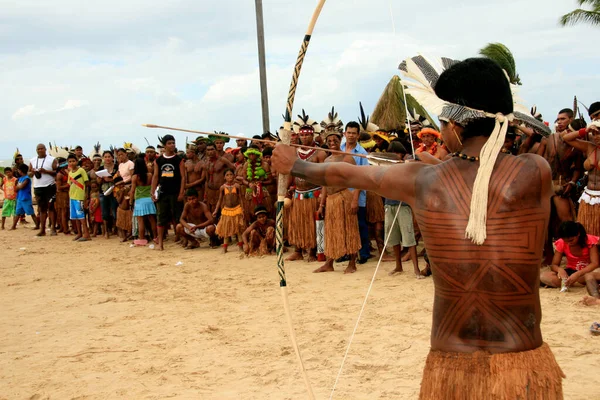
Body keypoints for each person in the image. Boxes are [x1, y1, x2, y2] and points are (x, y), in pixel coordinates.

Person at [272, 57, 564, 398]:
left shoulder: (423, 180)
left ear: (455, 125)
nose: (440, 130)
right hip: (523, 363)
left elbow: (347, 174)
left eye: (441, 121)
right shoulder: (535, 172)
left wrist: (296, 165)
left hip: (452, 365)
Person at [313, 115, 361, 274]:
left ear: (340, 140)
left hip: (344, 197)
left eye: (335, 140)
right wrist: (322, 204)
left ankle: (352, 263)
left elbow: (359, 181)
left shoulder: (347, 158)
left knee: (349, 229)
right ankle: (329, 263)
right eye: (330, 140)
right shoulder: (326, 161)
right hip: (331, 200)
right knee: (332, 230)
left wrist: (355, 200)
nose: (332, 142)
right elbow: (325, 184)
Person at [286, 111, 327, 262]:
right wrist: (285, 191)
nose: (304, 138)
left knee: (312, 223)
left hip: (314, 193)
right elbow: (290, 172)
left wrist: (323, 194)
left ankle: (313, 251)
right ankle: (298, 250)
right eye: (302, 135)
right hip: (298, 193)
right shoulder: (294, 152)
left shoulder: (320, 153)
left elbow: (324, 177)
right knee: (298, 223)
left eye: (307, 135)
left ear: (313, 136)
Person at [384, 141, 422, 278]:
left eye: (397, 153)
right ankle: (398, 266)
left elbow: (419, 162)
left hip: (403, 205)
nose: (394, 156)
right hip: (389, 203)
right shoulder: (386, 165)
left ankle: (416, 269)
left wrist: (408, 163)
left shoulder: (408, 164)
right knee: (393, 237)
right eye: (392, 153)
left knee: (409, 236)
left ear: (402, 154)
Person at [562, 103, 600, 236]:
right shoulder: (590, 147)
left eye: (599, 133)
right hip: (588, 197)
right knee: (588, 235)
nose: (596, 137)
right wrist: (585, 130)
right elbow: (566, 138)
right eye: (594, 134)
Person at [540, 221, 599, 297]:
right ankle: (575, 283)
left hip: (589, 271)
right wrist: (560, 270)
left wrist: (578, 274)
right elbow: (554, 265)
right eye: (565, 241)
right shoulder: (561, 243)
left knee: (591, 276)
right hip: (571, 273)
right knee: (544, 276)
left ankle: (576, 283)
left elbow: (595, 263)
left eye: (571, 240)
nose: (568, 243)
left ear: (578, 234)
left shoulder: (589, 241)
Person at [341, 121, 371, 263]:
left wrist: (355, 199)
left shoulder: (362, 153)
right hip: (341, 194)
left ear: (358, 135)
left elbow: (362, 177)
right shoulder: (339, 149)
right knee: (344, 225)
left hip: (356, 194)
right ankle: (346, 252)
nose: (351, 135)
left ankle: (364, 253)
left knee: (360, 225)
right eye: (349, 132)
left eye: (354, 133)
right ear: (344, 133)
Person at [151, 135, 186, 251]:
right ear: (165, 145)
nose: (172, 145)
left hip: (175, 192)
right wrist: (153, 192)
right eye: (170, 143)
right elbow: (155, 177)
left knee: (178, 217)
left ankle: (182, 239)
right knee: (161, 218)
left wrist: (181, 192)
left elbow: (183, 177)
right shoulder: (158, 160)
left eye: (173, 143)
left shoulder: (179, 160)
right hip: (163, 192)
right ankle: (160, 243)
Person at [29, 143, 58, 236]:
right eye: (38, 149)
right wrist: (33, 172)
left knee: (51, 207)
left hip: (49, 186)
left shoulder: (52, 159)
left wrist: (46, 171)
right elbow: (29, 174)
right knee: (41, 208)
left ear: (45, 149)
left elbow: (56, 172)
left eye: (42, 148)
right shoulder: (32, 160)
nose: (40, 150)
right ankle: (42, 229)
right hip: (38, 187)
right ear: (36, 150)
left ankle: (53, 228)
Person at [214, 169, 245, 253]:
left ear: (234, 175)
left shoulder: (237, 186)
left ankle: (240, 247)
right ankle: (225, 248)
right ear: (224, 177)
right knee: (226, 230)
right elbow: (220, 200)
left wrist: (242, 209)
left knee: (238, 229)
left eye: (231, 174)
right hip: (227, 210)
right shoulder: (222, 187)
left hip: (237, 209)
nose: (229, 176)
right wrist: (216, 210)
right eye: (227, 175)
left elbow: (241, 198)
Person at [130, 154, 157, 246]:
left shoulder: (135, 177)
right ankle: (156, 237)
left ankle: (141, 238)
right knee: (152, 220)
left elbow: (132, 191)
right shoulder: (149, 175)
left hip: (139, 201)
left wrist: (131, 202)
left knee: (140, 221)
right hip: (149, 200)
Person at [203, 143, 235, 214]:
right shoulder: (206, 162)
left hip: (221, 190)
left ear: (215, 150)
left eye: (212, 149)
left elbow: (234, 169)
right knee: (212, 212)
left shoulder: (223, 160)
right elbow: (206, 179)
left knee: (223, 211)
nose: (210, 151)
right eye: (208, 150)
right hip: (210, 191)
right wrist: (206, 193)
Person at [67, 154, 91, 242]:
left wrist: (86, 196)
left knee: (81, 216)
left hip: (79, 196)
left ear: (77, 161)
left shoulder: (81, 170)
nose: (72, 163)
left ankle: (86, 234)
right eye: (70, 161)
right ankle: (79, 233)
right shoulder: (70, 173)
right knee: (76, 217)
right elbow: (70, 184)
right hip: (72, 196)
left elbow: (87, 183)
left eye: (73, 161)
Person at [98, 150, 119, 239]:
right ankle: (106, 231)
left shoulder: (116, 167)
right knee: (104, 212)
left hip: (115, 191)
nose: (107, 158)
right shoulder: (101, 168)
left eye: (109, 156)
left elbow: (119, 178)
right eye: (105, 157)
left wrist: (111, 179)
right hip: (103, 191)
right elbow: (98, 181)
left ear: (112, 157)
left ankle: (116, 229)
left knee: (115, 211)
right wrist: (103, 178)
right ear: (103, 158)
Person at [12, 164, 38, 230]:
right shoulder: (20, 178)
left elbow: (21, 187)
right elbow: (17, 188)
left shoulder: (27, 178)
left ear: (21, 171)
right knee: (17, 213)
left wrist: (17, 187)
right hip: (20, 198)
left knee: (31, 212)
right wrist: (17, 187)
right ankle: (13, 226)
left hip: (25, 198)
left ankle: (37, 225)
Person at [55, 160, 71, 234]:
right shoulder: (59, 175)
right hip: (62, 194)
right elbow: (59, 187)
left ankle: (64, 227)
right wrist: (68, 185)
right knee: (63, 211)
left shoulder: (65, 173)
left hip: (66, 193)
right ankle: (65, 229)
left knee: (65, 211)